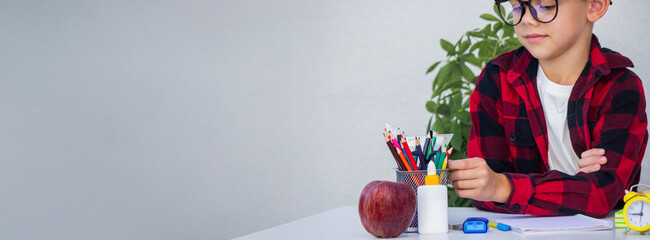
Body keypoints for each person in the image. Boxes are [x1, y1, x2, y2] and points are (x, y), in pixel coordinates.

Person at [447, 0, 647, 218]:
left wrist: (504, 187)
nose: (525, 19)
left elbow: (602, 196)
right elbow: (483, 191)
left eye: (545, 6)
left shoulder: (621, 87)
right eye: (516, 7)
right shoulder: (497, 79)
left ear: (595, 6)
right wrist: (577, 185)